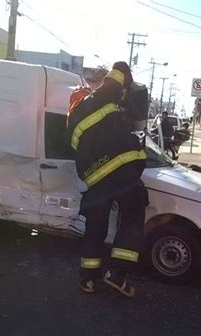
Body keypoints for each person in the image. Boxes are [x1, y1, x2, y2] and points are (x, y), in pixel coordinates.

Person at [66, 61, 149, 298]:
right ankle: (117, 275)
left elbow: (75, 152)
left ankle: (88, 279)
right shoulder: (104, 97)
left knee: (96, 224)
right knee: (133, 215)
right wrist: (125, 76)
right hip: (122, 171)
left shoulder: (73, 121)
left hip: (95, 178)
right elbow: (118, 74)